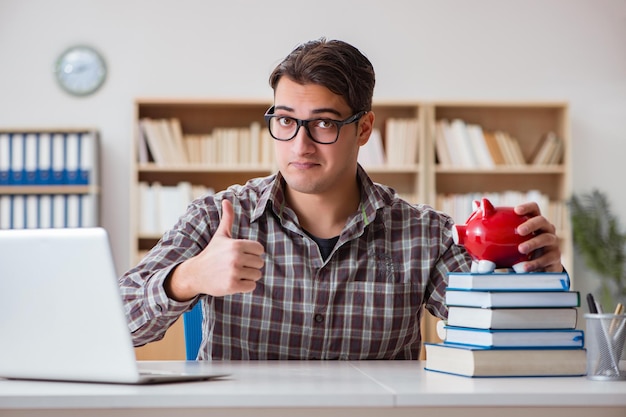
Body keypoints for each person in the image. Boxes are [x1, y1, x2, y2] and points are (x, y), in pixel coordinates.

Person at [120, 38, 564, 360]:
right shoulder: (217, 218)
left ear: (364, 129)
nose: (300, 145)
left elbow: (513, 335)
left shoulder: (425, 235)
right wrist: (187, 278)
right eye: (286, 121)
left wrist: (540, 271)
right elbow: (114, 325)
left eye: (325, 124)